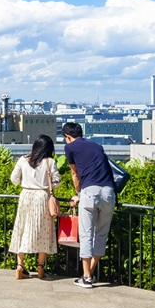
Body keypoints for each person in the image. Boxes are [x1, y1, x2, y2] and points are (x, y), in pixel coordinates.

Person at [62, 122, 115, 289]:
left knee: (86, 235)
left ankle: (86, 277)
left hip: (89, 192)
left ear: (67, 136)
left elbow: (74, 173)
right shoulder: (96, 146)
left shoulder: (70, 148)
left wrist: (78, 194)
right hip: (108, 193)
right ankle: (89, 273)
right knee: (100, 235)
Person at [8, 134, 59, 280]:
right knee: (44, 230)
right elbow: (56, 182)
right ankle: (41, 267)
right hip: (42, 197)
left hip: (26, 196)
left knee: (22, 228)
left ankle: (20, 265)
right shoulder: (49, 162)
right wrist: (46, 185)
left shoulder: (23, 160)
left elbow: (14, 179)